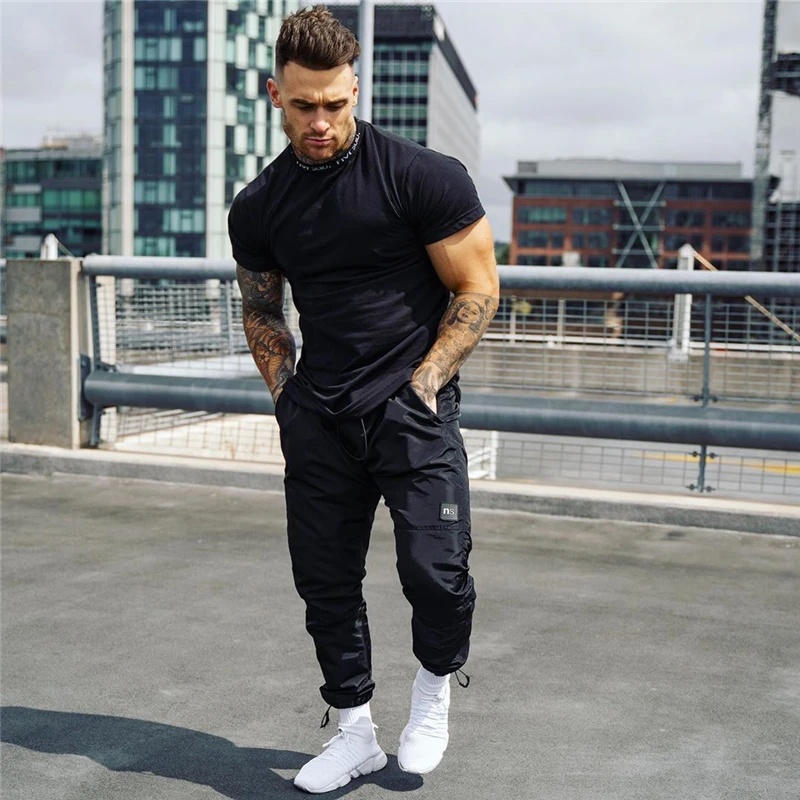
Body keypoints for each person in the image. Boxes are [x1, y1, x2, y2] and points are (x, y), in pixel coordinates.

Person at [228, 6, 498, 794]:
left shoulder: (422, 177)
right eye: (303, 105)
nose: (320, 122)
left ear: (356, 89)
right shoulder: (259, 204)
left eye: (335, 104)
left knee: (436, 572)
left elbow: (477, 286)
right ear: (275, 95)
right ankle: (354, 735)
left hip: (411, 411)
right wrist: (286, 397)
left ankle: (433, 695)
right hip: (320, 416)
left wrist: (426, 381)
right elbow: (260, 308)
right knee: (325, 584)